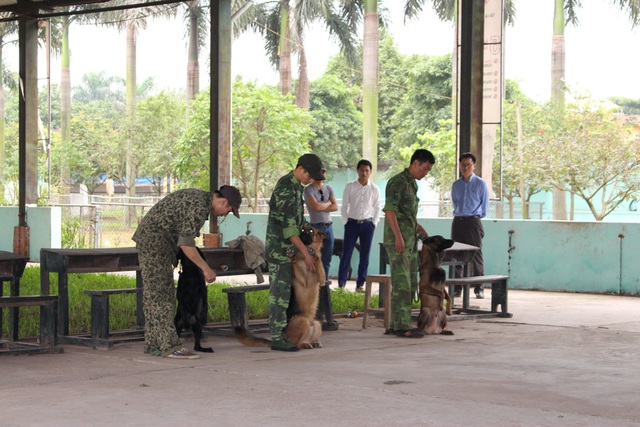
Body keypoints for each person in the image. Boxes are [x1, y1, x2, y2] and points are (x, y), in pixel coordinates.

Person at [132, 185, 242, 359]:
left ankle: (154, 344)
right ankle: (169, 346)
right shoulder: (199, 206)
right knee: (162, 295)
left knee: (154, 295)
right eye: (228, 210)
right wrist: (206, 268)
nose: (225, 214)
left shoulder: (198, 199)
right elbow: (186, 244)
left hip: (153, 241)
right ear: (223, 201)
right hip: (156, 244)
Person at [266, 153, 325, 352]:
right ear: (301, 169)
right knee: (279, 295)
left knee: (287, 296)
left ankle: (285, 334)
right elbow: (290, 229)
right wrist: (306, 254)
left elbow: (298, 224)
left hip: (289, 251)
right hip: (280, 251)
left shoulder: (294, 188)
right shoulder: (285, 188)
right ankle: (276, 336)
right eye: (310, 176)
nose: (311, 180)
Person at [383, 149, 433, 338]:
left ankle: (396, 324)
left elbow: (406, 214)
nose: (425, 173)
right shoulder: (397, 182)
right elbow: (390, 211)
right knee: (402, 283)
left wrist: (418, 228)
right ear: (416, 163)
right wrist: (398, 237)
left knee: (410, 283)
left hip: (410, 241)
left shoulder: (412, 184)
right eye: (425, 169)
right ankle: (402, 326)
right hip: (399, 242)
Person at [304, 163, 340, 331]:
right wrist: (326, 204)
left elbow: (335, 206)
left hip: (329, 226)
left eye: (324, 171)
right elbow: (315, 206)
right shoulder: (308, 190)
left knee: (326, 260)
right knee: (315, 258)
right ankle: (316, 285)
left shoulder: (329, 188)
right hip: (316, 227)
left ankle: (323, 283)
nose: (322, 174)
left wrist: (323, 204)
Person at [337, 159, 382, 292]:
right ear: (358, 171)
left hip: (368, 225)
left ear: (371, 172)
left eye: (367, 170)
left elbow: (377, 207)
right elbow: (344, 206)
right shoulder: (350, 187)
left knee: (365, 256)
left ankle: (360, 284)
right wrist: (346, 222)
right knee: (346, 254)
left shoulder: (374, 189)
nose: (364, 173)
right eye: (362, 170)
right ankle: (341, 285)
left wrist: (374, 223)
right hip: (351, 224)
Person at [450, 152, 490, 299]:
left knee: (476, 254)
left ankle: (479, 287)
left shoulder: (481, 184)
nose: (465, 167)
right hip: (458, 222)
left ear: (474, 166)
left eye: (468, 165)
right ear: (459, 166)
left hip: (473, 222)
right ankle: (457, 288)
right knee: (456, 254)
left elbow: (485, 207)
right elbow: (456, 203)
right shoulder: (456, 185)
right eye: (463, 165)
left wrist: (474, 216)